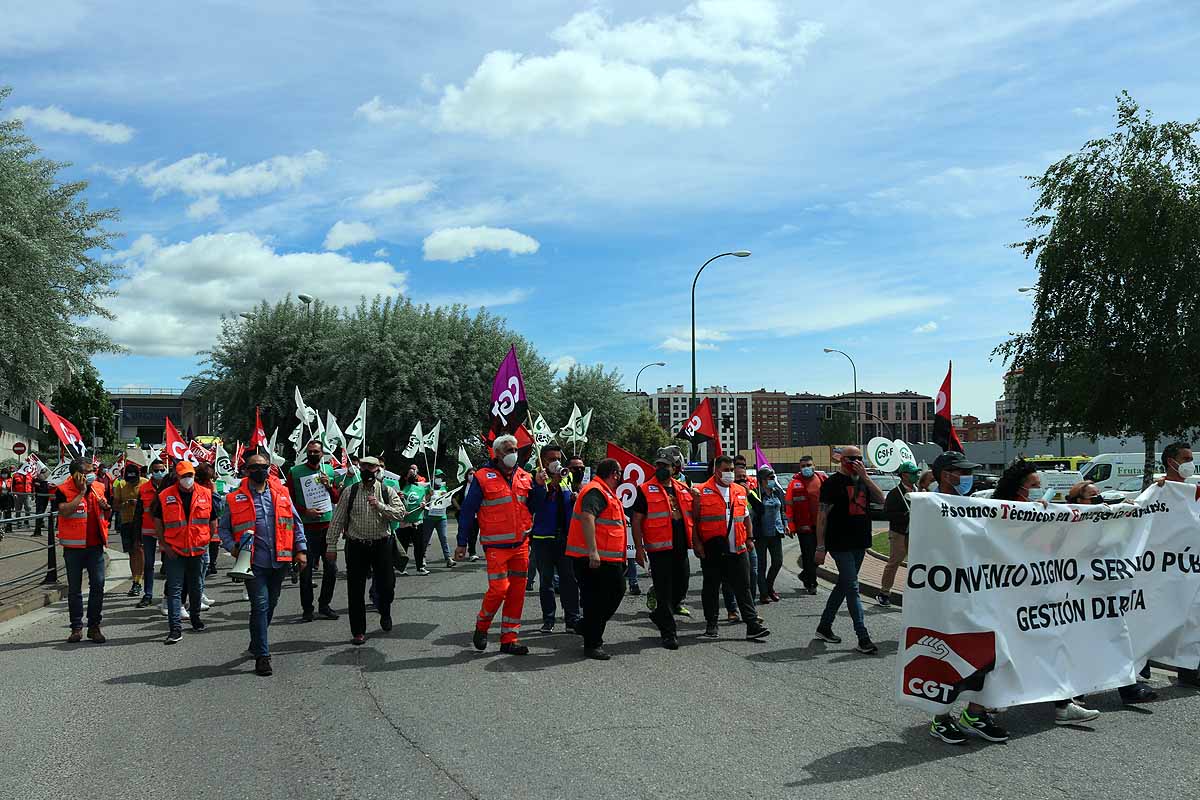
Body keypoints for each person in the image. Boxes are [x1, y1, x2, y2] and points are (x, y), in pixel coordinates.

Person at [991, 460, 1101, 725]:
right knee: (1008, 650)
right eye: (1034, 486)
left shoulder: (1036, 509)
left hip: (1036, 593)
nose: (1039, 491)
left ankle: (1063, 704)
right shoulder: (999, 510)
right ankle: (987, 702)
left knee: (1051, 643)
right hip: (1010, 595)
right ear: (1019, 487)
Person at [925, 451, 1010, 745]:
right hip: (945, 597)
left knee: (988, 652)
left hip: (978, 592)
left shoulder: (972, 505)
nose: (966, 478)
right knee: (948, 657)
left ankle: (975, 713)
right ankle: (940, 718)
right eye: (960, 472)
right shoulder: (929, 505)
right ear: (946, 474)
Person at [454, 434, 547, 656]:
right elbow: (468, 511)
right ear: (496, 453)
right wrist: (461, 543)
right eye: (508, 450)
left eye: (515, 449)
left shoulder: (526, 476)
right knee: (499, 589)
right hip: (496, 546)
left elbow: (535, 506)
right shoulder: (482, 477)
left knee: (517, 594)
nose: (513, 453)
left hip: (521, 545)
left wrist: (541, 486)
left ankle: (509, 639)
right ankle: (482, 625)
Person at [217, 451, 307, 677]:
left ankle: (256, 642)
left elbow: (295, 524)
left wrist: (301, 550)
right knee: (260, 606)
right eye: (254, 467)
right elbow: (223, 529)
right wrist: (232, 547)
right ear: (246, 471)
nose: (259, 470)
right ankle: (263, 656)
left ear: (269, 468)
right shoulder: (233, 498)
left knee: (271, 604)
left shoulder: (282, 493)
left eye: (263, 466)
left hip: (280, 560)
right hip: (252, 562)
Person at [328, 456, 405, 645]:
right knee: (355, 589)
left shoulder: (387, 490)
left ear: (378, 470)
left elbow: (400, 513)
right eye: (363, 466)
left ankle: (385, 611)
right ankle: (358, 631)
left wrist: (379, 505)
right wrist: (331, 545)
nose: (367, 470)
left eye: (371, 467)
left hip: (381, 544)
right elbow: (337, 519)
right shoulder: (350, 491)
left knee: (386, 586)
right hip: (356, 545)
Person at [814, 445, 881, 655]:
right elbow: (822, 516)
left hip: (860, 542)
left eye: (860, 458)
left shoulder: (864, 481)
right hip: (839, 543)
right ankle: (863, 637)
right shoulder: (832, 484)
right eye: (852, 458)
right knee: (852, 587)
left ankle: (824, 626)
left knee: (843, 585)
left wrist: (866, 478)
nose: (857, 462)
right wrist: (820, 546)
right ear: (842, 460)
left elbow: (882, 500)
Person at [694, 455, 770, 641]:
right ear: (716, 470)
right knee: (711, 587)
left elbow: (745, 517)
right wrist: (697, 545)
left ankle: (752, 625)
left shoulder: (739, 490)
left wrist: (750, 538)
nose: (729, 473)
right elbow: (694, 522)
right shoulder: (701, 491)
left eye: (731, 470)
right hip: (713, 549)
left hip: (738, 548)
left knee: (743, 587)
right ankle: (711, 624)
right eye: (725, 470)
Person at [631, 446, 696, 650]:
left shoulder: (682, 488)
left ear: (675, 468)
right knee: (664, 592)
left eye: (665, 465)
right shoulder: (644, 489)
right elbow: (636, 520)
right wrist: (639, 549)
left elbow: (692, 515)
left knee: (682, 586)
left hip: (680, 547)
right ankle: (669, 633)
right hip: (659, 550)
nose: (660, 468)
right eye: (658, 464)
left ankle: (660, 614)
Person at [565, 457, 628, 659]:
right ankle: (592, 643)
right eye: (619, 473)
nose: (620, 478)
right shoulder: (596, 491)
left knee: (610, 595)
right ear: (614, 474)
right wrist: (593, 551)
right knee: (597, 600)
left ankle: (587, 627)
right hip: (593, 558)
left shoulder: (604, 491)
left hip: (606, 559)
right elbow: (587, 517)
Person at [154, 461, 214, 645]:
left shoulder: (206, 494)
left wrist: (206, 541)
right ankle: (175, 629)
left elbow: (213, 520)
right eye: (183, 476)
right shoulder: (164, 496)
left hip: (198, 550)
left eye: (190, 475)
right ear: (177, 477)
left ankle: (195, 618)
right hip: (175, 551)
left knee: (196, 587)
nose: (187, 479)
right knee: (174, 590)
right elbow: (158, 522)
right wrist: (165, 545)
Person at [1157, 442, 1200, 689]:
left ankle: (1189, 669)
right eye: (1185, 458)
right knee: (1174, 618)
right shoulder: (1160, 491)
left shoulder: (1193, 491)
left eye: (1190, 458)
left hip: (1191, 567)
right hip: (1169, 569)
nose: (1189, 463)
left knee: (1194, 618)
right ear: (1171, 462)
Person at [56, 458, 111, 643]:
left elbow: (105, 512)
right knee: (75, 590)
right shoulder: (63, 489)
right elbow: (64, 511)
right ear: (77, 474)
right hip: (73, 549)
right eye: (88, 471)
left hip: (95, 547)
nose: (92, 473)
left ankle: (94, 627)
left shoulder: (99, 487)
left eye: (92, 470)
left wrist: (106, 508)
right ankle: (76, 628)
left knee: (98, 585)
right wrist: (81, 493)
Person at [288, 441, 340, 622]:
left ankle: (324, 605)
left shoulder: (329, 471)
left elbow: (336, 498)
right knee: (306, 571)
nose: (313, 454)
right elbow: (290, 501)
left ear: (322, 453)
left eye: (316, 452)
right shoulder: (295, 472)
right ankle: (307, 609)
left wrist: (328, 485)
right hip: (306, 529)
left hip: (327, 528)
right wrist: (305, 511)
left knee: (331, 569)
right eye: (310, 451)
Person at [530, 445, 580, 633]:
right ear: (542, 459)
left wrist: (574, 498)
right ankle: (548, 619)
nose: (556, 462)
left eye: (558, 458)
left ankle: (572, 619)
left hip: (566, 536)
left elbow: (569, 501)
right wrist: (548, 485)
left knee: (569, 579)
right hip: (543, 536)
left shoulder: (567, 475)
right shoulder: (534, 477)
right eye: (551, 458)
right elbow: (534, 504)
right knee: (547, 581)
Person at [877, 461, 920, 607]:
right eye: (914, 473)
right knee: (894, 562)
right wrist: (906, 515)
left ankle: (915, 593)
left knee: (916, 563)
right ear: (905, 475)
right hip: (899, 533)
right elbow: (887, 514)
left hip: (914, 533)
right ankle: (884, 592)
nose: (916, 475)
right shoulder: (896, 493)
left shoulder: (918, 491)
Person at [723, 465, 760, 621]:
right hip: (728, 543)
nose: (742, 480)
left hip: (746, 541)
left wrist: (748, 493)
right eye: (738, 477)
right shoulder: (728, 492)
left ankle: (750, 610)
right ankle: (732, 610)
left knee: (752, 575)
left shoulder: (749, 492)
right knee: (728, 579)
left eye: (744, 477)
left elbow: (760, 509)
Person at [134, 460, 170, 609]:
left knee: (169, 565)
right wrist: (136, 537)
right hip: (148, 532)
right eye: (156, 470)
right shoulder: (143, 489)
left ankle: (168, 596)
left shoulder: (170, 488)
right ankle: (147, 594)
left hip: (167, 532)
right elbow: (138, 514)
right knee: (148, 564)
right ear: (151, 471)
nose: (159, 472)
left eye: (161, 469)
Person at [786, 455, 824, 595]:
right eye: (803, 466)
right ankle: (811, 583)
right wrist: (790, 526)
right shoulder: (794, 483)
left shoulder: (821, 479)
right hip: (804, 526)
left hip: (821, 525)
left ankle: (805, 574)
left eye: (808, 465)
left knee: (822, 552)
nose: (806, 468)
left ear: (814, 465)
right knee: (808, 556)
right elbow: (789, 506)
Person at [111, 462, 147, 598]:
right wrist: (125, 504)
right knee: (132, 552)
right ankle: (135, 579)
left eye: (134, 481)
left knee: (140, 549)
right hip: (127, 522)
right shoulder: (120, 485)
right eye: (129, 481)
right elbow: (115, 505)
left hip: (142, 522)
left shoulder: (145, 483)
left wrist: (139, 504)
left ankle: (139, 580)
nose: (132, 484)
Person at [754, 466, 787, 604]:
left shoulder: (777, 492)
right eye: (770, 477)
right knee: (761, 565)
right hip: (761, 534)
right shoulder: (756, 494)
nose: (773, 480)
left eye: (774, 477)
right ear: (762, 480)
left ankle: (769, 586)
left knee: (778, 562)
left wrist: (786, 524)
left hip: (776, 532)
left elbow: (782, 510)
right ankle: (763, 593)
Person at [399, 467, 432, 574]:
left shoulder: (420, 488)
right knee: (403, 547)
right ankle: (401, 567)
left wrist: (423, 503)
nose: (413, 475)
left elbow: (424, 500)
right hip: (404, 523)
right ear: (405, 477)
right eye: (410, 473)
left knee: (419, 546)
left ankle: (420, 567)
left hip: (418, 522)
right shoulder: (400, 488)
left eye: (414, 473)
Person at [422, 470, 455, 569]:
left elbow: (448, 501)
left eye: (441, 476)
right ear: (433, 477)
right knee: (426, 539)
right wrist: (429, 495)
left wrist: (446, 496)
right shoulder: (427, 488)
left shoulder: (444, 487)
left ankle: (448, 558)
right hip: (429, 518)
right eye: (438, 476)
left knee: (444, 538)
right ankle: (422, 557)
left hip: (442, 518)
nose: (440, 478)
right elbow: (424, 501)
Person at [451, 468, 479, 561]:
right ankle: (461, 549)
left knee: (473, 533)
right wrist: (459, 507)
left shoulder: (479, 486)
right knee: (463, 532)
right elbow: (453, 497)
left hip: (476, 514)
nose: (472, 476)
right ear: (467, 475)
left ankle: (472, 553)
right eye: (470, 474)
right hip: (463, 514)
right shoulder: (462, 485)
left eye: (474, 474)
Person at [32, 468, 51, 537]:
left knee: (40, 514)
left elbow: (45, 490)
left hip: (44, 499)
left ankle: (38, 530)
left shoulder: (47, 481)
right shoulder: (37, 479)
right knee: (39, 514)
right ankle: (37, 530)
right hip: (40, 498)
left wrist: (38, 485)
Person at [0, 466, 14, 535]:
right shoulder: (0, 480)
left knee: (8, 513)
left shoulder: (11, 480)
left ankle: (8, 528)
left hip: (8, 498)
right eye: (3, 473)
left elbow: (13, 488)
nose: (4, 475)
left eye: (5, 473)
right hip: (0, 498)